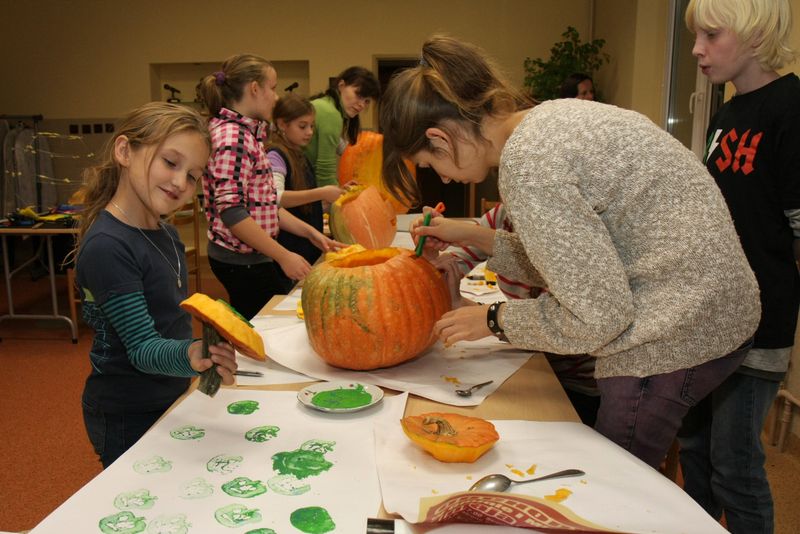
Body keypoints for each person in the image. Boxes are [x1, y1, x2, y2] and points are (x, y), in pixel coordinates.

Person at [380, 35, 760, 470]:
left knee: (617, 478)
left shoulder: (530, 163)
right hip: (711, 301)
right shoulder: (549, 120)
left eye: (431, 166)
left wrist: (492, 320)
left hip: (675, 324)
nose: (443, 180)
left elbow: (597, 318)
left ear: (440, 140)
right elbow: (577, 264)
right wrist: (484, 244)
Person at [678, 1, 800, 531]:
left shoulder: (791, 108)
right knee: (696, 453)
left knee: (736, 466)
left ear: (755, 35)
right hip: (709, 319)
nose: (697, 50)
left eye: (711, 35)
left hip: (759, 324)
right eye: (695, 36)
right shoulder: (725, 115)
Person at [73, 102, 238, 468]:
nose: (181, 183)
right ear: (124, 151)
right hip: (126, 412)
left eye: (193, 175)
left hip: (170, 392)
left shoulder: (165, 232)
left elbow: (168, 316)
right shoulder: (108, 247)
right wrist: (192, 354)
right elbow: (142, 349)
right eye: (170, 162)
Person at [197, 54, 342, 319]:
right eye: (273, 88)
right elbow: (233, 212)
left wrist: (310, 233)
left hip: (253, 258)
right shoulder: (233, 137)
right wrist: (284, 256)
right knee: (265, 329)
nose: (276, 97)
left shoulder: (247, 134)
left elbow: (264, 204)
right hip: (241, 262)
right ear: (254, 88)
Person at [430, 203, 600, 426]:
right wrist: (431, 257)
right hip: (534, 367)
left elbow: (564, 324)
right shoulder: (502, 218)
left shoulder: (565, 231)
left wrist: (491, 318)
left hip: (580, 384)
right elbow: (450, 265)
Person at [266, 94, 345, 283]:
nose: (309, 132)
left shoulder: (299, 155)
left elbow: (306, 204)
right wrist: (322, 192)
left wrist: (338, 196)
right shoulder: (275, 155)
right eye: (302, 126)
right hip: (290, 248)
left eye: (312, 126)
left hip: (306, 247)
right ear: (282, 124)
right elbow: (275, 197)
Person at [305, 66, 380, 188]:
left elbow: (340, 147)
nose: (361, 105)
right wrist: (337, 198)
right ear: (341, 85)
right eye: (359, 95)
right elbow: (325, 171)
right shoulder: (331, 114)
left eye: (367, 101)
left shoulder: (323, 104)